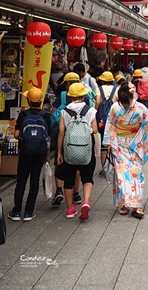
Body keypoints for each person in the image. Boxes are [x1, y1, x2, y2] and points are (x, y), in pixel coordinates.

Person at [104, 83, 148, 218]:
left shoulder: (140, 108)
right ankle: (124, 203)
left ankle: (136, 206)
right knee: (121, 176)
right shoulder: (115, 108)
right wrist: (109, 142)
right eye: (123, 103)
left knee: (136, 174)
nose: (125, 106)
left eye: (127, 103)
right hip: (119, 145)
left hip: (135, 145)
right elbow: (110, 124)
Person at [56, 83, 98, 220]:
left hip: (69, 149)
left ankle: (69, 209)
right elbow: (95, 130)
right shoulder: (90, 110)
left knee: (69, 179)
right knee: (87, 177)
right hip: (86, 149)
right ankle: (85, 202)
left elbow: (61, 133)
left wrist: (59, 153)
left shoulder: (64, 111)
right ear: (83, 95)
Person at [8, 87, 50, 221]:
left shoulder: (23, 115)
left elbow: (17, 134)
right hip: (40, 152)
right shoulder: (45, 115)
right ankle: (28, 212)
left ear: (29, 100)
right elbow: (47, 137)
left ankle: (16, 211)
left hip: (25, 152)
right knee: (34, 180)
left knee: (21, 181)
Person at [50, 71, 81, 207]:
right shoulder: (83, 97)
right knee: (77, 164)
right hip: (79, 136)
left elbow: (53, 114)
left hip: (63, 135)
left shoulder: (62, 96)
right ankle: (76, 193)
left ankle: (58, 190)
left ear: (68, 84)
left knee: (59, 161)